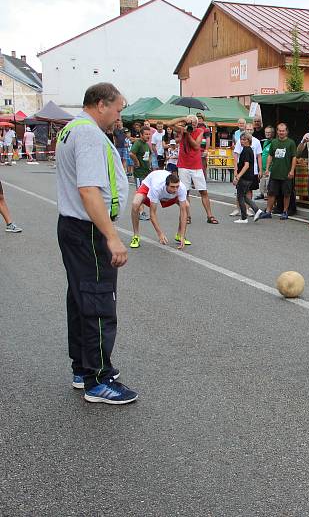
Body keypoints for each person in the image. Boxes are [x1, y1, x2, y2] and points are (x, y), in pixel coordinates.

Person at [55, 82, 137, 404]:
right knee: (99, 301)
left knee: (80, 299)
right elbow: (89, 191)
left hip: (73, 227)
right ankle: (97, 379)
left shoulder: (71, 129)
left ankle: (82, 368)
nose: (119, 117)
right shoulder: (88, 134)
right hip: (88, 230)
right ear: (101, 104)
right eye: (117, 109)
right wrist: (112, 237)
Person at [170, 114, 217, 224]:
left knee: (203, 191)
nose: (192, 125)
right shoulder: (182, 129)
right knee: (185, 192)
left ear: (197, 124)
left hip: (196, 166)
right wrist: (182, 119)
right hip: (183, 165)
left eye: (194, 123)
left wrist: (188, 134)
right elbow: (169, 124)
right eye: (190, 123)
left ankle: (210, 216)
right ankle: (187, 216)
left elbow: (196, 146)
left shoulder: (200, 131)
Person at [128, 170, 190, 248]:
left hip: (166, 193)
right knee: (135, 204)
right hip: (149, 185)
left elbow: (183, 212)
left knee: (186, 206)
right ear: (166, 185)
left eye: (177, 187)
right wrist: (160, 234)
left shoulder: (181, 188)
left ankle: (179, 235)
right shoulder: (156, 187)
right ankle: (136, 236)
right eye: (172, 187)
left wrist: (183, 235)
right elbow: (152, 213)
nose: (175, 190)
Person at [263, 123, 297, 220]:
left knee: (286, 193)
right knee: (271, 193)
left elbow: (294, 157)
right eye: (279, 130)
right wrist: (267, 169)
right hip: (274, 173)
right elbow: (270, 155)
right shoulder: (274, 142)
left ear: (286, 131)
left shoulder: (291, 143)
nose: (281, 132)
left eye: (283, 131)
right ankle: (268, 211)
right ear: (277, 131)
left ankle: (285, 211)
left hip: (286, 173)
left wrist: (292, 170)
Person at [230, 123, 262, 217]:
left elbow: (253, 160)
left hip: (248, 172)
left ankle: (246, 212)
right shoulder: (242, 145)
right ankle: (243, 209)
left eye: (250, 129)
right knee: (241, 193)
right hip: (243, 171)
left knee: (244, 192)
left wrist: (260, 169)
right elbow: (236, 155)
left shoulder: (252, 145)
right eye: (247, 129)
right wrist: (236, 170)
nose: (249, 131)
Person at [257, 125, 275, 200]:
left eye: (269, 132)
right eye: (266, 132)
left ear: (273, 133)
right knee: (262, 183)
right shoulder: (265, 142)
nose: (267, 134)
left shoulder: (274, 142)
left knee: (268, 183)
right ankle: (262, 194)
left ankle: (267, 196)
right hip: (263, 167)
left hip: (270, 168)